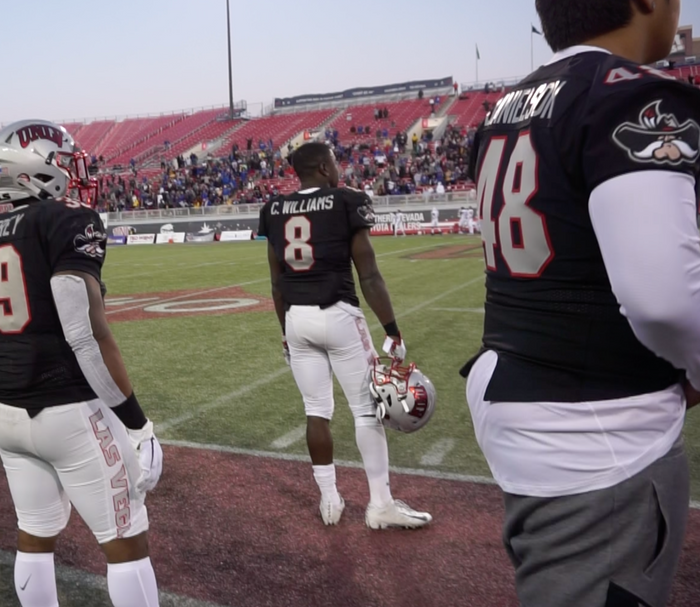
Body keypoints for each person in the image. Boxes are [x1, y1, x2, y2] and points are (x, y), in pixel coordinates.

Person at [463, 1, 700, 605]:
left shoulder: (505, 107)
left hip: (520, 385)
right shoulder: (629, 94)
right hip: (595, 421)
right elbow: (664, 300)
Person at [0, 120, 164, 607]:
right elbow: (85, 334)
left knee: (34, 534)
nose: (72, 172)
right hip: (65, 412)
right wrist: (137, 424)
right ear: (33, 171)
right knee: (127, 543)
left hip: (0, 411)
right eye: (62, 161)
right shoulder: (67, 219)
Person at [257, 142, 431, 529]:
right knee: (366, 410)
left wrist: (286, 333)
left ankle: (330, 500)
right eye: (334, 162)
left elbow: (276, 283)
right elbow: (368, 274)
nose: (338, 168)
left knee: (316, 411)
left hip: (297, 319)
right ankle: (380, 505)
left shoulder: (273, 209)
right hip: (337, 313)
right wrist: (392, 330)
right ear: (322, 166)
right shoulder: (345, 200)